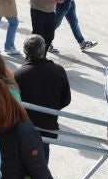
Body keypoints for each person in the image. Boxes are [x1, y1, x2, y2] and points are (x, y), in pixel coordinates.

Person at [13, 35, 71, 164]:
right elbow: (66, 99)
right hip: (48, 128)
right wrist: (52, 107)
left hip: (25, 129)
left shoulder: (18, 75)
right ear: (44, 50)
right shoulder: (59, 71)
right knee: (41, 165)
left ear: (25, 52)